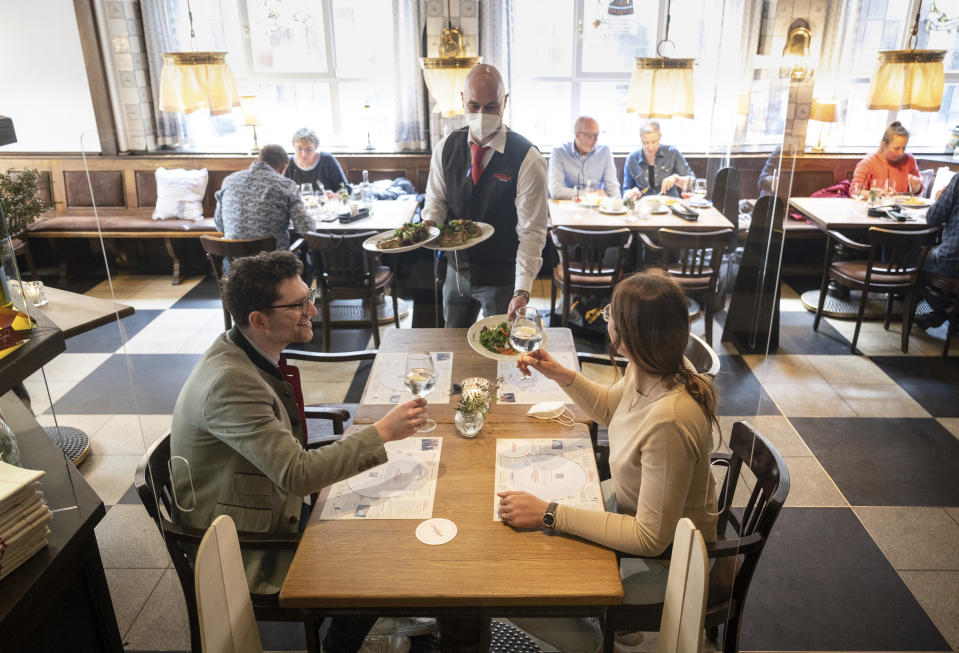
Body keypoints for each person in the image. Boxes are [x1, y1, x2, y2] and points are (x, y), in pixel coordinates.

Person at [170, 250, 428, 653]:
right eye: (298, 304)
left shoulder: (245, 352)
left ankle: (382, 607)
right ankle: (338, 644)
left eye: (309, 296)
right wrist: (382, 432)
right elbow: (297, 475)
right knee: (375, 564)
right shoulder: (230, 384)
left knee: (386, 522)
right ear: (258, 319)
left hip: (261, 500)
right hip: (244, 539)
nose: (312, 309)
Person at [497, 273, 720, 652]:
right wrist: (559, 373)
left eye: (609, 316)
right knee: (531, 532)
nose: (607, 321)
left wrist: (551, 513)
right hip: (630, 507)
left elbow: (650, 539)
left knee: (519, 587)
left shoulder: (670, 421)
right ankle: (615, 626)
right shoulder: (654, 364)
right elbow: (609, 409)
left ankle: (597, 640)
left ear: (629, 336)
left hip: (671, 562)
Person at [422, 63, 548, 328]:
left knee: (499, 352)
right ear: (462, 101)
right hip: (456, 274)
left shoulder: (527, 158)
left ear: (505, 101)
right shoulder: (445, 147)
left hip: (502, 279)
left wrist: (522, 289)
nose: (481, 114)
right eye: (474, 106)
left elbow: (532, 231)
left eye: (491, 107)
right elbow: (436, 201)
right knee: (452, 348)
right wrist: (430, 222)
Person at [214, 144, 315, 250]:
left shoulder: (229, 181)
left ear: (258, 159)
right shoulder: (286, 185)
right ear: (284, 167)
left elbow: (220, 226)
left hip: (234, 264)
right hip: (274, 264)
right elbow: (306, 228)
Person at [915, 174, 959, 329]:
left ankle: (943, 309)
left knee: (909, 258)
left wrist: (943, 198)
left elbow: (933, 217)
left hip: (952, 261)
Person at [548, 116, 621, 199]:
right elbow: (555, 191)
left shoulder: (604, 151)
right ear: (577, 135)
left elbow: (612, 187)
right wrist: (591, 194)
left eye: (597, 134)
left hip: (595, 206)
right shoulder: (559, 152)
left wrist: (617, 206)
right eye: (591, 136)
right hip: (569, 205)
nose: (596, 139)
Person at [622, 120, 693, 198]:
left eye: (654, 142)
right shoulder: (632, 159)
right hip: (643, 206)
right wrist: (630, 193)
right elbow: (626, 189)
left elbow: (693, 182)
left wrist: (677, 179)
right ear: (640, 139)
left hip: (670, 205)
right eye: (645, 143)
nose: (650, 147)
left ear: (660, 137)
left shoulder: (673, 153)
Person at [851, 121, 922, 196]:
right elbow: (855, 191)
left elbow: (917, 190)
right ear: (884, 145)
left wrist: (916, 187)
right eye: (896, 148)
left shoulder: (909, 160)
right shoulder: (868, 164)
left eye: (903, 148)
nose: (901, 153)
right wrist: (878, 194)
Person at [284, 127, 351, 195]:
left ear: (315, 148)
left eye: (308, 150)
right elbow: (283, 193)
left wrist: (335, 195)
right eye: (299, 149)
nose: (303, 154)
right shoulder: (289, 164)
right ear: (294, 147)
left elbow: (346, 189)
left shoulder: (327, 160)